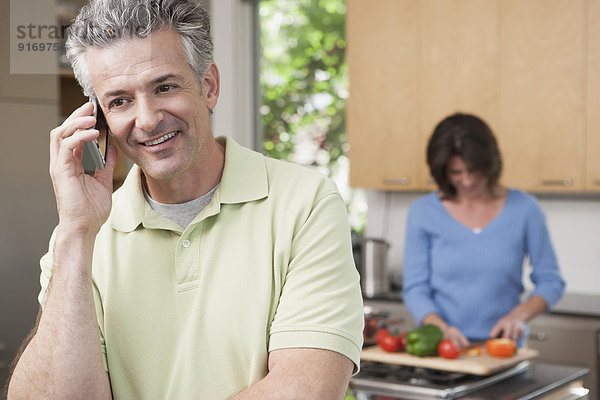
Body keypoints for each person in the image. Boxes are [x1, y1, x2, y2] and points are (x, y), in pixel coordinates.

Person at [7, 1, 363, 398]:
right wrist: (75, 234)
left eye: (165, 87)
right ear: (99, 119)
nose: (146, 119)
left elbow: (306, 389)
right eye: (120, 101)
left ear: (208, 86)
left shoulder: (305, 202)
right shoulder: (79, 242)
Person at [402, 113, 565, 350]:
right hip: (444, 351)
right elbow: (415, 288)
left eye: (474, 170)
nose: (467, 181)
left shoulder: (525, 210)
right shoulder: (423, 212)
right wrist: (439, 327)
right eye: (456, 172)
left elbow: (551, 281)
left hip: (504, 350)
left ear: (490, 163)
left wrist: (518, 316)